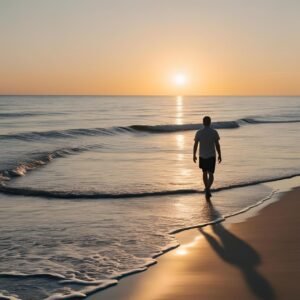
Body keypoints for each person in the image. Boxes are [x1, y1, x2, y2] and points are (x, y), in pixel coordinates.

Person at [193, 116, 222, 198]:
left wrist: (194, 155)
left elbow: (195, 144)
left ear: (203, 122)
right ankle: (208, 189)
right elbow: (217, 145)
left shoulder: (199, 132)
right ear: (210, 122)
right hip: (211, 156)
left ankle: (207, 188)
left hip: (202, 155)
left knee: (204, 173)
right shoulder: (214, 132)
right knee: (211, 174)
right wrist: (220, 154)